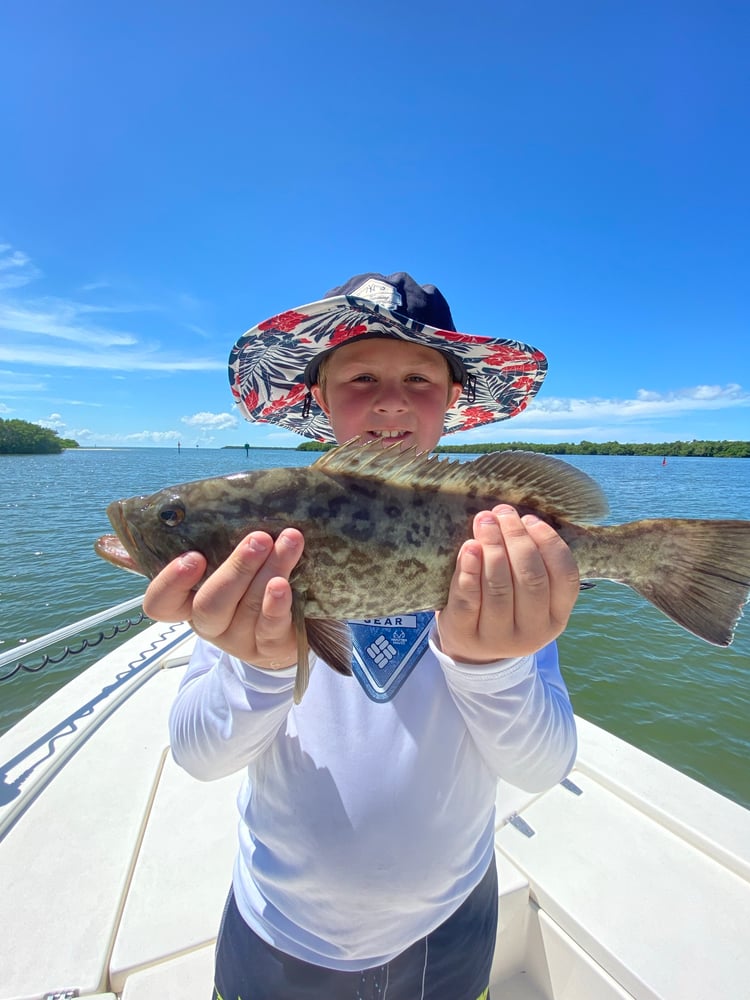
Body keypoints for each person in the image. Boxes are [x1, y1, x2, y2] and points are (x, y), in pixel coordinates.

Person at [143, 272, 580, 1000]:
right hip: (280, 930)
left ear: (453, 399)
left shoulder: (501, 553)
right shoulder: (251, 571)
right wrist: (258, 670)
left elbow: (543, 768)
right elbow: (199, 754)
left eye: (420, 378)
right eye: (362, 376)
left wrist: (491, 666)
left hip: (452, 924)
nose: (390, 399)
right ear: (317, 395)